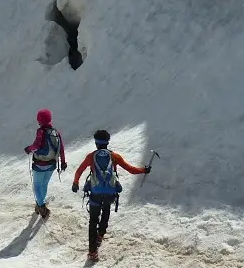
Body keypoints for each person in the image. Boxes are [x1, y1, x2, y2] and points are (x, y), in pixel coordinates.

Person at [71, 129, 151, 262]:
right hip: (110, 193)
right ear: (108, 142)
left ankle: (92, 252)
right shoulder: (114, 156)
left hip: (95, 193)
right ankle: (100, 235)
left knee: (93, 221)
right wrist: (144, 170)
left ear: (96, 143)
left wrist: (75, 183)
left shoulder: (91, 156)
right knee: (106, 212)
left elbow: (79, 170)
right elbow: (130, 169)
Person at [24, 108, 66, 217]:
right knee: (44, 184)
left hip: (39, 164)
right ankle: (39, 204)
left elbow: (36, 145)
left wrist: (29, 148)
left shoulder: (41, 131)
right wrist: (63, 162)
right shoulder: (56, 132)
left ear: (39, 120)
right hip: (52, 164)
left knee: (37, 185)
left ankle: (41, 206)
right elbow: (61, 148)